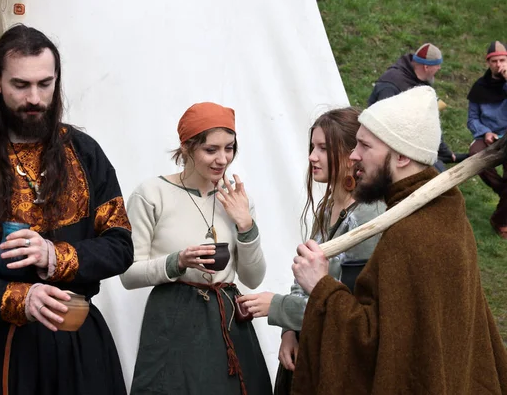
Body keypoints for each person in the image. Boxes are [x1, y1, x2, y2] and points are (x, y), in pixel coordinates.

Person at [0, 24, 133, 395]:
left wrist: (57, 256)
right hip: (0, 348)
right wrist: (20, 298)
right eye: (21, 85)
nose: (35, 97)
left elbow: (120, 244)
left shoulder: (85, 153)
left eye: (45, 84)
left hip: (78, 347)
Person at [289, 86, 507, 394]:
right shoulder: (446, 211)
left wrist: (321, 287)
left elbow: (376, 346)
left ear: (402, 156)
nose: (354, 155)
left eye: (364, 146)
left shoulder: (411, 235)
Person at [120, 102, 272, 395]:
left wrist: (245, 225)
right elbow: (128, 274)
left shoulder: (237, 199)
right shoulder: (152, 194)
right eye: (211, 149)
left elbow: (253, 278)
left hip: (227, 318)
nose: (222, 159)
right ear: (187, 147)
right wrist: (179, 261)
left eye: (229, 148)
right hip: (173, 318)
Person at [237, 108, 384, 394]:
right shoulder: (329, 207)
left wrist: (277, 307)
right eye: (312, 147)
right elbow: (304, 278)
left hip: (341, 364)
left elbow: (349, 303)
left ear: (351, 153)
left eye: (323, 149)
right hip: (310, 349)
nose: (312, 157)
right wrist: (289, 330)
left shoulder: (369, 217)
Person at [367, 43, 465, 171]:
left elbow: (429, 122)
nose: (439, 68)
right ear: (426, 67)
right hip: (389, 146)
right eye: (437, 65)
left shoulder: (421, 84)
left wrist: (443, 151)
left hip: (411, 142)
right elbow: (382, 124)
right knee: (434, 173)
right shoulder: (391, 83)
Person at [467, 40, 507, 238]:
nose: (499, 65)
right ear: (488, 63)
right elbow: (472, 118)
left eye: (502, 60)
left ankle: (499, 219)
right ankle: (503, 192)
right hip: (488, 135)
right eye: (494, 61)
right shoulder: (480, 87)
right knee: (476, 157)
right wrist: (485, 132)